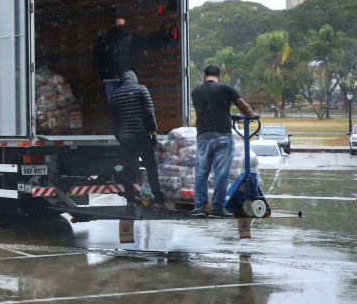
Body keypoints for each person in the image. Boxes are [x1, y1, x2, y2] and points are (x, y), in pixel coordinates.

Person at [190, 65, 256, 217]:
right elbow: (243, 107)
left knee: (201, 173)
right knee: (221, 173)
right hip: (222, 136)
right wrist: (252, 115)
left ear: (204, 76)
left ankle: (199, 207)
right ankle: (217, 208)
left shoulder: (196, 91)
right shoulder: (226, 88)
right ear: (219, 77)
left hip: (203, 136)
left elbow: (208, 110)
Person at [109, 70, 168, 211]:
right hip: (142, 136)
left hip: (125, 138)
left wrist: (119, 136)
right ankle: (159, 200)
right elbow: (149, 112)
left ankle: (129, 200)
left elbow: (112, 119)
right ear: (134, 79)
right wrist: (153, 133)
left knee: (127, 169)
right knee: (151, 168)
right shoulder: (141, 89)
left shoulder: (115, 94)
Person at [93, 17, 178, 102]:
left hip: (122, 79)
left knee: (121, 105)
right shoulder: (107, 40)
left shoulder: (124, 39)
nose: (121, 28)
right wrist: (98, 75)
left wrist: (166, 34)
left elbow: (147, 39)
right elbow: (96, 58)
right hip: (112, 79)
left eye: (123, 25)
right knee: (116, 105)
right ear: (113, 25)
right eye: (119, 25)